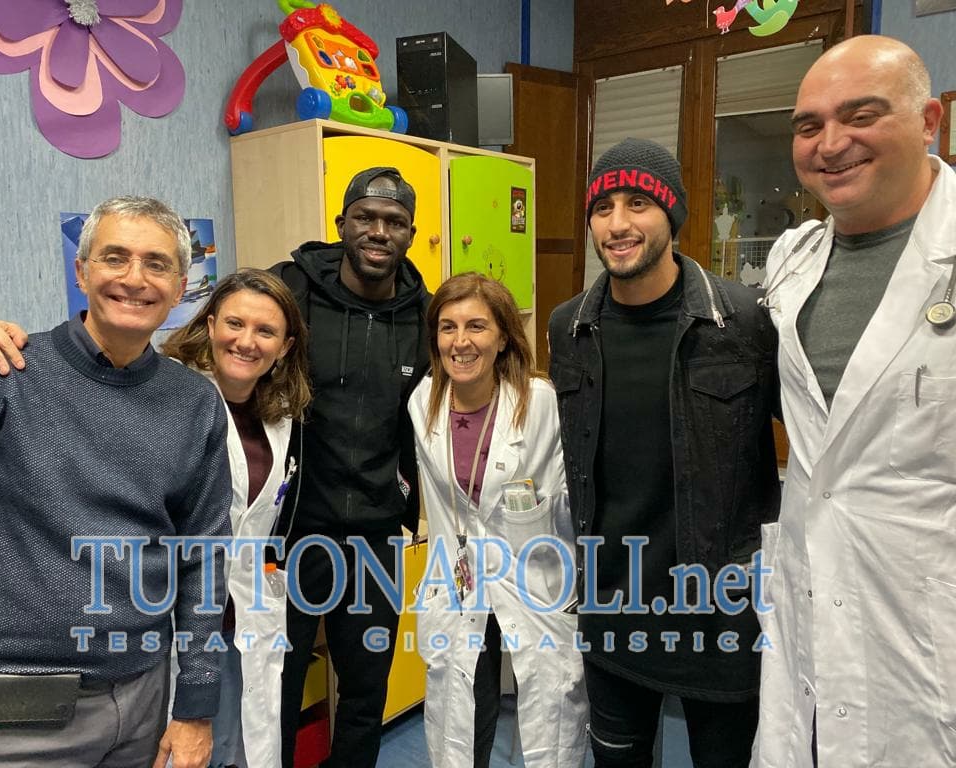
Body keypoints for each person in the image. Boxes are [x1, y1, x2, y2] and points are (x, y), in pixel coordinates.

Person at [0, 167, 431, 768]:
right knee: (246, 714)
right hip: (70, 659)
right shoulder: (36, 378)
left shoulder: (411, 324)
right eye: (115, 258)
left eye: (266, 331)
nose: (249, 340)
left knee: (310, 704)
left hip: (334, 553)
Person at [0, 196, 233, 768]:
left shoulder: (194, 402)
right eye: (114, 257)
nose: (134, 279)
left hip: (142, 696)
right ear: (81, 271)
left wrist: (195, 706)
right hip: (12, 710)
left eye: (157, 264)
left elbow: (204, 557)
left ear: (179, 286)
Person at [751, 36, 953, 767]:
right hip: (809, 600)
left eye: (861, 116)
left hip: (928, 619)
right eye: (809, 126)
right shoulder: (792, 258)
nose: (831, 144)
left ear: (927, 121)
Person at [548, 138, 781, 767]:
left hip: (719, 615)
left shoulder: (743, 320)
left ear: (672, 214)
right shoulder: (569, 327)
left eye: (638, 204)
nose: (617, 224)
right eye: (603, 208)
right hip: (612, 608)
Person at [270, 166, 429, 767]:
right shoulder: (290, 291)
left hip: (375, 535)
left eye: (395, 222)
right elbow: (214, 341)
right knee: (277, 684)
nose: (379, 232)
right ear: (342, 224)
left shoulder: (425, 316)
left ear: (410, 233)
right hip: (291, 532)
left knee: (365, 689)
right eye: (366, 217)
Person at [408, 272, 588, 768]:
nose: (460, 341)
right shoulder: (424, 401)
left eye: (477, 326)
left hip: (533, 578)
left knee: (549, 714)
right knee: (460, 719)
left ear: (504, 336)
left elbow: (574, 495)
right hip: (459, 582)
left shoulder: (541, 402)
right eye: (447, 327)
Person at [161, 268, 311, 767]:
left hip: (246, 615)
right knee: (183, 749)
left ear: (285, 347)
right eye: (235, 323)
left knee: (241, 746)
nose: (247, 341)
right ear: (210, 325)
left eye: (265, 331)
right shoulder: (167, 396)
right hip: (177, 619)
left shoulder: (280, 413)